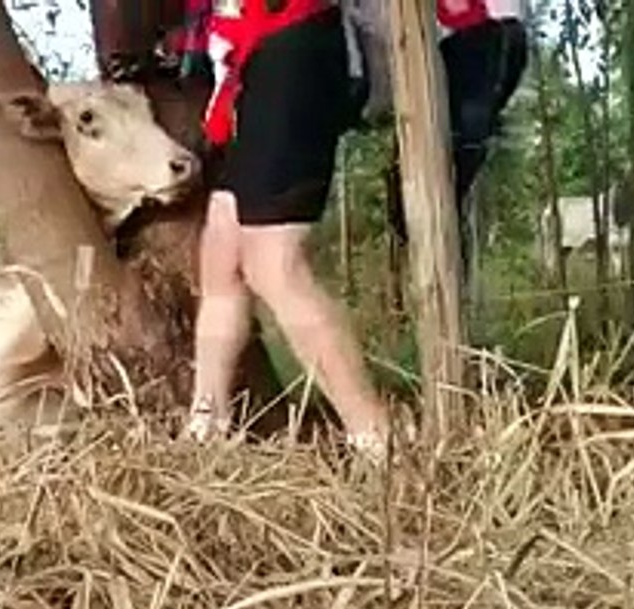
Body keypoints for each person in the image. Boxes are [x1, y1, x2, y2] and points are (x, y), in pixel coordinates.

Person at [174, 0, 392, 459]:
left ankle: (376, 441)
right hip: (250, 48)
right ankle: (205, 430)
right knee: (223, 253)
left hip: (293, 32)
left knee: (271, 261)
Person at [385, 0, 529, 277]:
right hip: (487, 37)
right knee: (453, 164)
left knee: (431, 174)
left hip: (476, 33)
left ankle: (443, 271)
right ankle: (446, 267)